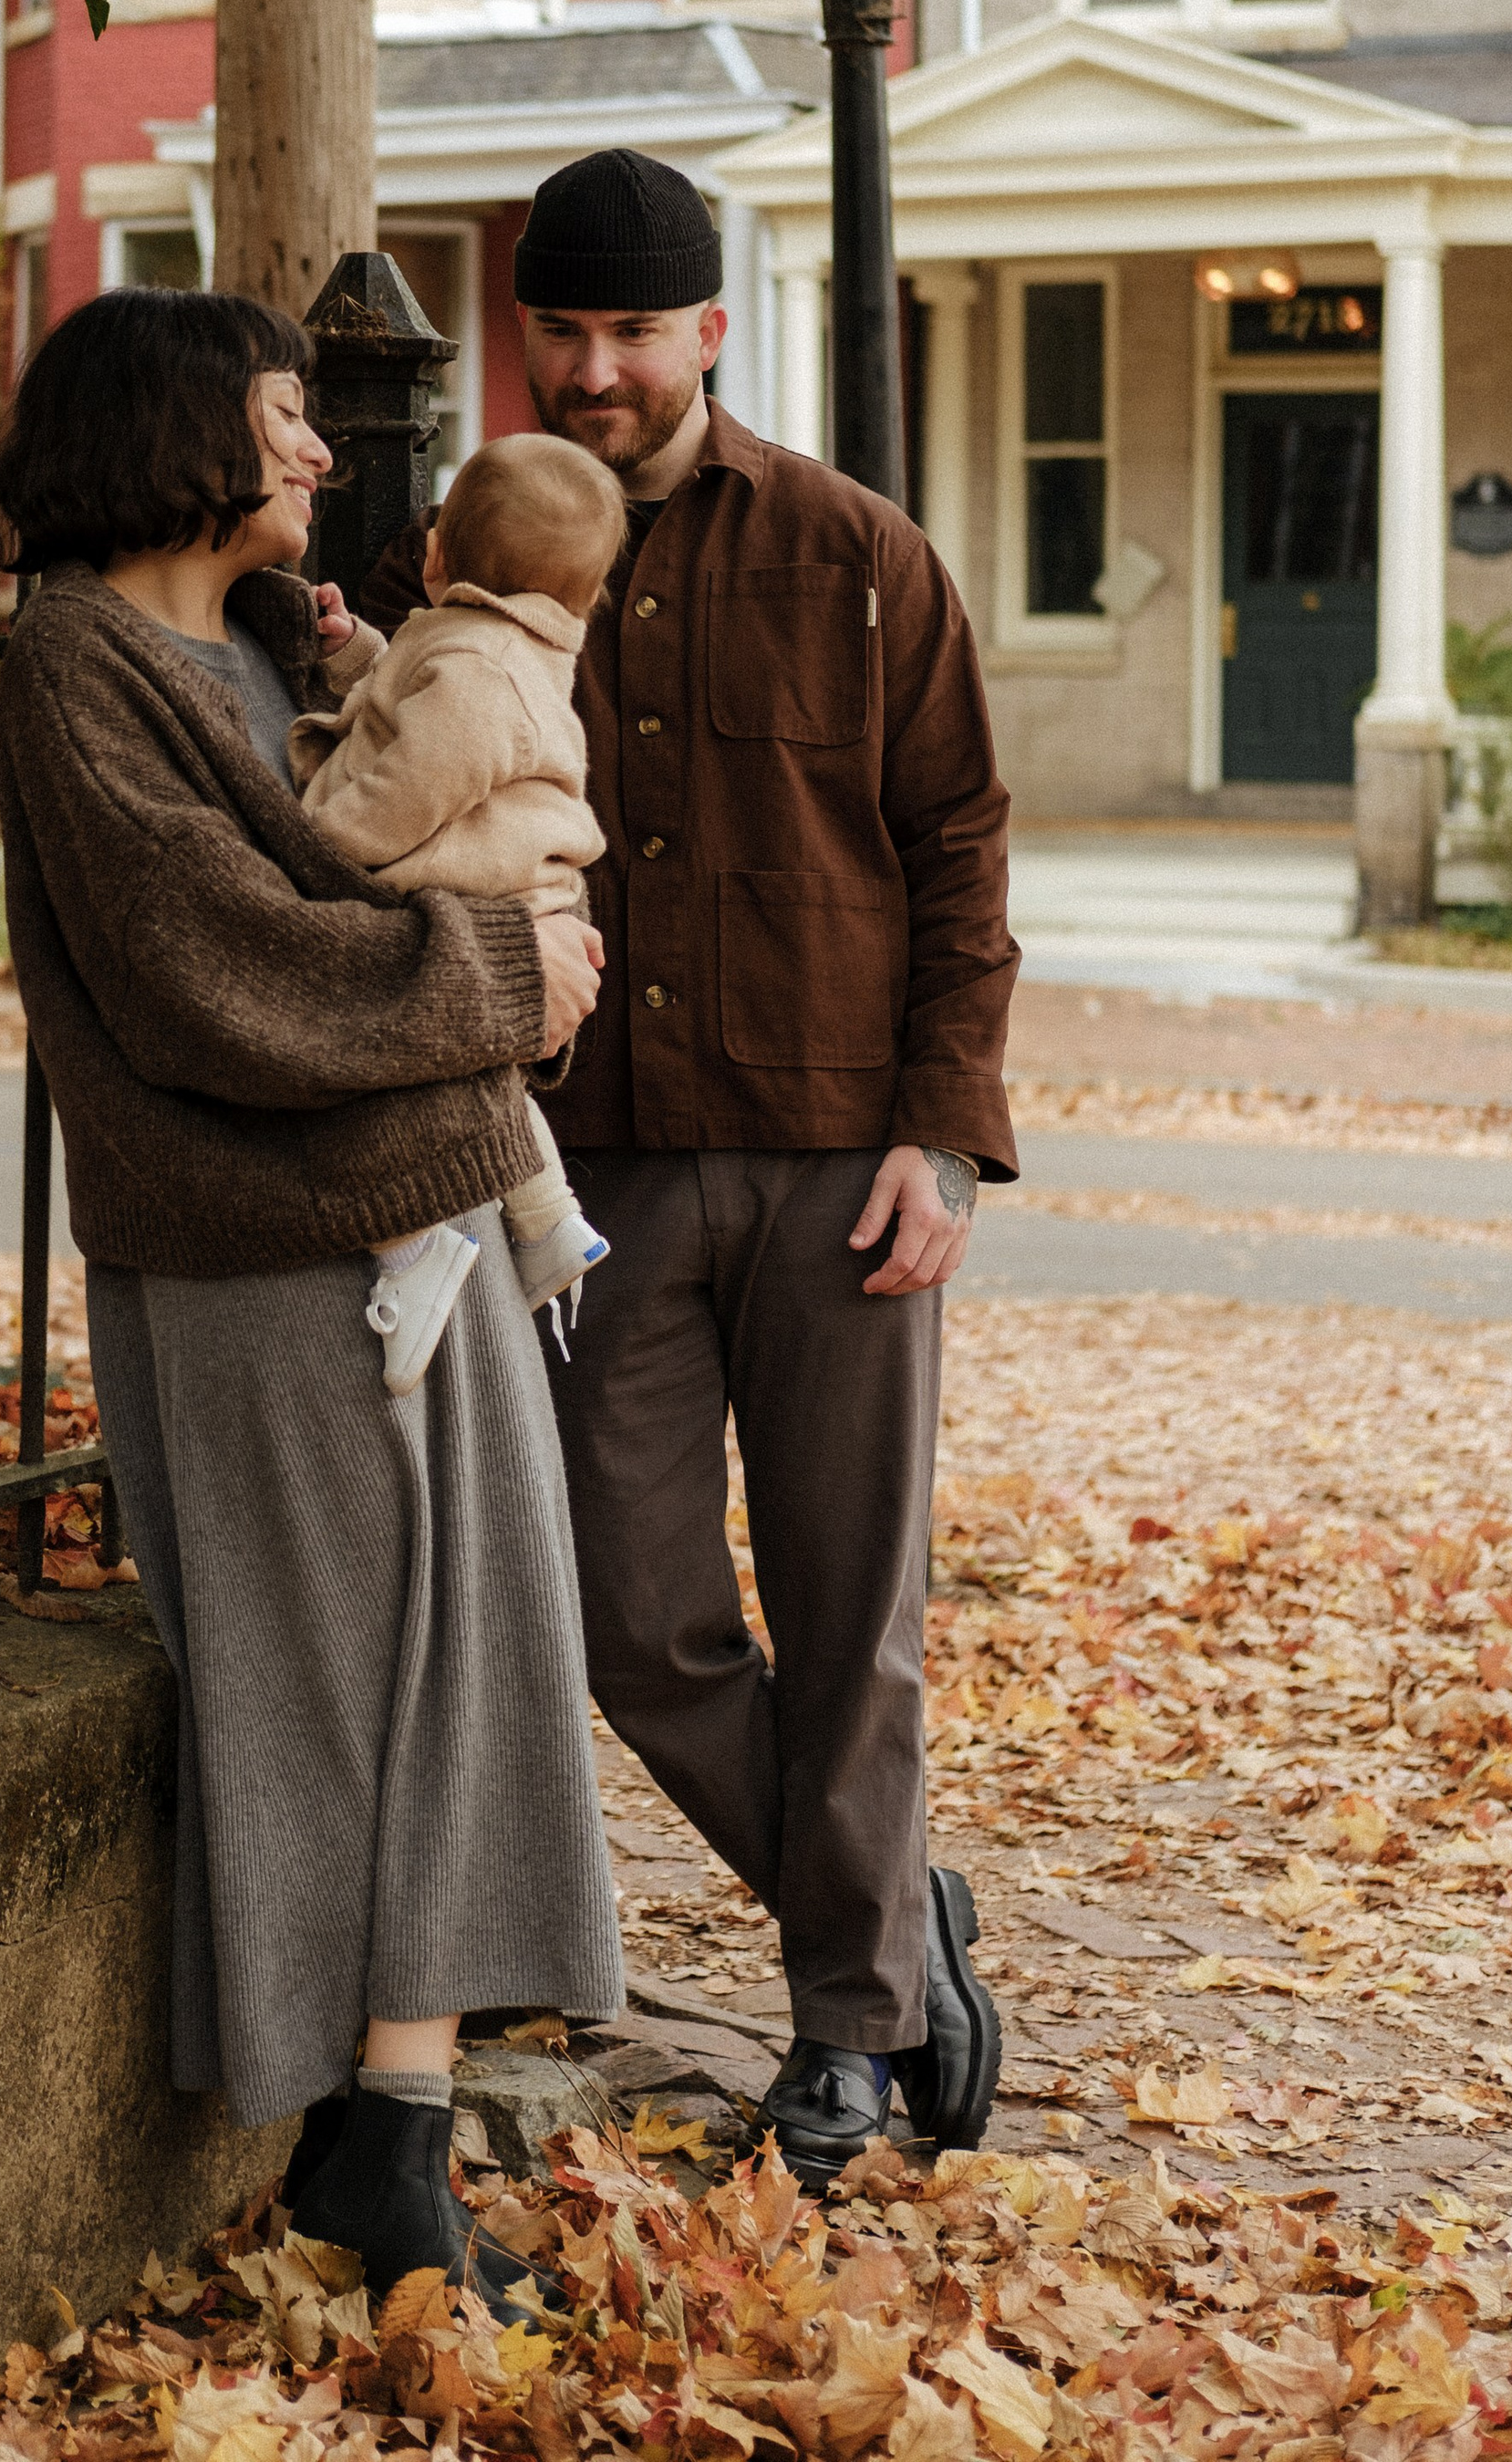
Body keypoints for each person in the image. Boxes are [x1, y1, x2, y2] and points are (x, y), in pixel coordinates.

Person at [361, 147, 1020, 2192]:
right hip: (594, 1174)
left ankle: (840, 2028)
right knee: (628, 1615)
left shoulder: (854, 557)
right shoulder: (462, 562)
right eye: (556, 329)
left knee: (849, 1612)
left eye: (629, 332)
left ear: (707, 334)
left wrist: (942, 1133)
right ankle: (895, 1919)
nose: (588, 369)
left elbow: (958, 853)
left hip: (838, 1162)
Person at [0, 285, 622, 2311]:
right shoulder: (79, 665)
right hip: (256, 1253)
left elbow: (365, 870)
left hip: (407, 1196)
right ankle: (365, 2139)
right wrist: (507, 980)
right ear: (177, 429)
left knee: (480, 1650)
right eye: (285, 418)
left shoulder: (264, 652)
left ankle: (397, 2130)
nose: (321, 455)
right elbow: (214, 970)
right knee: (328, 1700)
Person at [290, 431, 627, 1391]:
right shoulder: (493, 644)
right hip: (525, 885)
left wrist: (325, 837)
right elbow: (408, 687)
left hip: (489, 886)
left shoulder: (477, 666)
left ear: (438, 555)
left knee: (394, 1079)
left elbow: (423, 766)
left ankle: (413, 1250)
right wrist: (355, 652)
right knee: (482, 1087)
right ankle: (550, 1221)